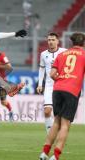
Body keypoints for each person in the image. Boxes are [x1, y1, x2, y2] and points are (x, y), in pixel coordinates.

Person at [39, 32, 85, 160]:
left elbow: (52, 73)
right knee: (65, 125)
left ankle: (44, 153)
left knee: (56, 122)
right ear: (83, 43)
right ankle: (56, 156)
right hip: (71, 91)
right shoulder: (84, 54)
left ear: (72, 42)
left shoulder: (62, 54)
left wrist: (62, 79)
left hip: (57, 89)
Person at [37, 33, 67, 134]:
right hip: (49, 86)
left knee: (60, 114)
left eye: (53, 40)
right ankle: (50, 134)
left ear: (57, 41)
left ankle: (59, 132)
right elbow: (41, 69)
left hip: (62, 85)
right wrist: (40, 84)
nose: (51, 42)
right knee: (47, 111)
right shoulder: (43, 54)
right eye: (49, 40)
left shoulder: (64, 52)